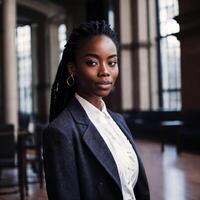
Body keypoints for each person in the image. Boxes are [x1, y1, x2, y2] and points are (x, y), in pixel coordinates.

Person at [43, 20, 150, 200]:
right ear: (73, 69)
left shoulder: (118, 121)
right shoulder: (60, 132)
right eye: (92, 63)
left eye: (112, 62)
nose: (105, 71)